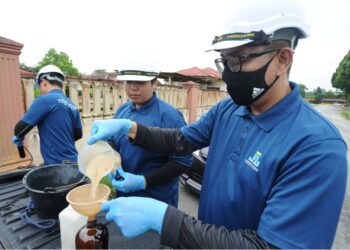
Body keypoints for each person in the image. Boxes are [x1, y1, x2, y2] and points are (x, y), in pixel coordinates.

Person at [87, 1, 348, 248]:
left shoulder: (317, 148)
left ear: (283, 59)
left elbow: (271, 245)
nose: (227, 74)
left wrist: (164, 219)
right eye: (224, 61)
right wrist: (128, 128)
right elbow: (181, 140)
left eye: (238, 60)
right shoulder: (229, 108)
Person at [104, 67, 192, 207]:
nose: (133, 88)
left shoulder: (170, 116)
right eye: (129, 81)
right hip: (124, 196)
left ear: (154, 83)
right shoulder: (122, 110)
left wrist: (143, 181)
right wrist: (112, 157)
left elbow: (183, 162)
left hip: (156, 200)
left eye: (140, 82)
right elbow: (112, 140)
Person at [13, 65, 82, 165]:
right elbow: (78, 135)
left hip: (57, 167)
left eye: (40, 86)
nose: (40, 90)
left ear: (44, 82)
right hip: (75, 162)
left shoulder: (44, 100)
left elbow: (20, 129)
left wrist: (18, 138)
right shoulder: (72, 105)